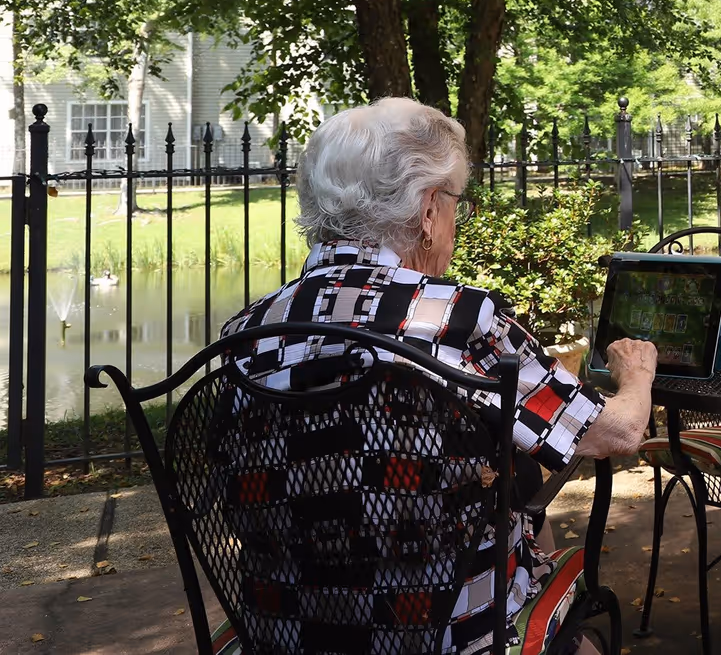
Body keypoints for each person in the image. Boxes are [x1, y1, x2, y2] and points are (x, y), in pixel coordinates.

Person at [220, 97, 655, 654]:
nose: (455, 220)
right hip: (450, 635)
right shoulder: (454, 319)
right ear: (428, 212)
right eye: (455, 204)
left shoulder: (248, 332)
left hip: (285, 632)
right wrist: (637, 374)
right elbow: (614, 433)